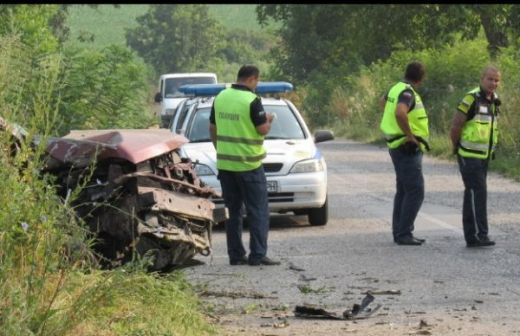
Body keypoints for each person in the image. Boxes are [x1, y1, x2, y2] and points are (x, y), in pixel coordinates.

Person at [209, 65, 280, 266]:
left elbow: (212, 128)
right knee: (258, 210)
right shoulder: (252, 100)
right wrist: (268, 120)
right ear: (251, 79)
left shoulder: (221, 97)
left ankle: (236, 255)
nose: (256, 86)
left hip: (226, 165)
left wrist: (219, 149)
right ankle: (257, 255)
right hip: (249, 165)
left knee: (233, 211)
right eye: (256, 82)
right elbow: (262, 129)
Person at [450, 65, 501, 248]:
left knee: (472, 193)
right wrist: (456, 147)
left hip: (484, 156)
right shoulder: (471, 98)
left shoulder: (494, 100)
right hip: (469, 155)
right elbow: (456, 125)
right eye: (490, 79)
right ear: (482, 79)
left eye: (496, 80)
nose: (493, 83)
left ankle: (472, 236)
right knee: (477, 192)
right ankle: (480, 235)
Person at [379, 61, 430, 246]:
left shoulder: (395, 88)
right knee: (416, 190)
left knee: (403, 190)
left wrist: (393, 124)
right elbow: (401, 112)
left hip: (395, 144)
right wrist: (410, 135)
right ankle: (404, 233)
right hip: (406, 146)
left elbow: (383, 102)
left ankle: (399, 231)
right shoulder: (408, 92)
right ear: (421, 78)